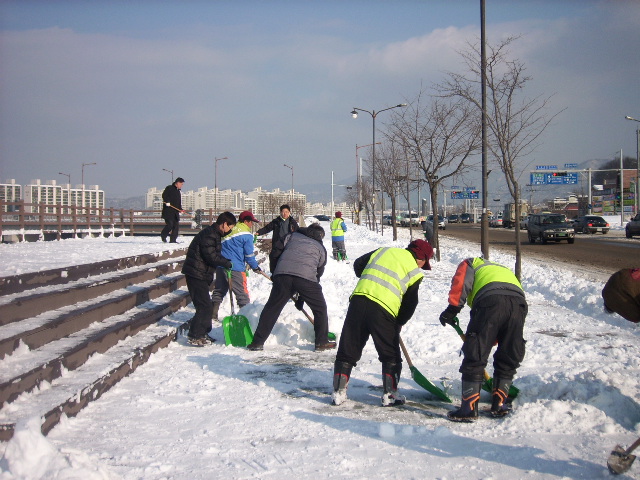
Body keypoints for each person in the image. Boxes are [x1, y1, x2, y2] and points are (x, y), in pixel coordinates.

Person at [331, 239, 433, 407]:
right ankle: (390, 394)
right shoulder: (414, 272)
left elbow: (358, 265)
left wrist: (369, 278)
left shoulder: (383, 251)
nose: (423, 267)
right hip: (383, 310)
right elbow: (410, 304)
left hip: (358, 300)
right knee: (390, 353)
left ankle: (338, 392)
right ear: (421, 258)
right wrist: (399, 322)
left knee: (348, 348)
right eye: (424, 263)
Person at [439, 256, 527, 422]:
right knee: (509, 352)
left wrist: (452, 309)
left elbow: (461, 284)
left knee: (476, 352)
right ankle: (499, 405)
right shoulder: (501, 268)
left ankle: (468, 409)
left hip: (490, 301)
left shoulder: (471, 263)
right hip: (519, 304)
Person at [247, 223, 335, 352]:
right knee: (320, 308)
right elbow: (317, 273)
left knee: (272, 308)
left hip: (283, 276)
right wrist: (303, 297)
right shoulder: (320, 248)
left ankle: (257, 342)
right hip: (306, 280)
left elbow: (275, 251)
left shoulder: (291, 236)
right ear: (320, 235)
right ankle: (321, 342)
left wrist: (275, 273)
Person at [182, 211, 236, 346]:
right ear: (224, 224)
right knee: (204, 306)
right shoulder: (210, 235)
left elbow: (213, 254)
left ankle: (203, 333)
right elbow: (210, 256)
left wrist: (225, 261)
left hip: (201, 273)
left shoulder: (214, 234)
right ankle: (195, 335)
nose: (230, 230)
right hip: (196, 273)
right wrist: (225, 262)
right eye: (230, 227)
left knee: (206, 305)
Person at [210, 210, 262, 321]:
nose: (252, 224)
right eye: (251, 222)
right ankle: (247, 319)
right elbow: (249, 255)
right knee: (242, 295)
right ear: (246, 221)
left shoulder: (229, 229)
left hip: (221, 266)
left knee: (219, 291)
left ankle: (212, 315)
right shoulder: (246, 235)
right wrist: (255, 266)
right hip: (236, 268)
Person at [255, 204, 299, 273]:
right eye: (283, 212)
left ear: (289, 212)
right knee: (274, 258)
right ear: (280, 212)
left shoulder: (292, 222)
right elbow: (267, 228)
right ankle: (274, 274)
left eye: (287, 212)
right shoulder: (276, 221)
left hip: (288, 245)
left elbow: (297, 231)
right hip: (277, 244)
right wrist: (259, 232)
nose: (285, 214)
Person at [161, 177, 186, 243]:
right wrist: (167, 201)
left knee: (176, 226)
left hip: (175, 212)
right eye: (181, 184)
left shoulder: (178, 192)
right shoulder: (169, 188)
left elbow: (178, 203)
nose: (182, 186)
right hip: (168, 212)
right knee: (170, 225)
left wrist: (180, 209)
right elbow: (164, 195)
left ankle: (173, 240)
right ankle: (163, 235)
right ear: (177, 183)